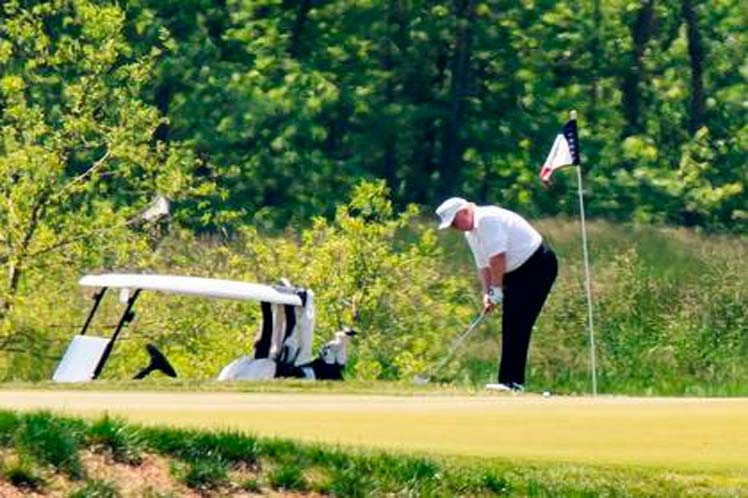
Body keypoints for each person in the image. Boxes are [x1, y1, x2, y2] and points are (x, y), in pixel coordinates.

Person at [435, 197, 557, 392]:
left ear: (465, 211)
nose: (455, 228)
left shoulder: (487, 220)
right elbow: (483, 266)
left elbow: (498, 258)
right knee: (510, 322)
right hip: (516, 272)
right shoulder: (471, 233)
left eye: (455, 222)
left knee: (519, 321)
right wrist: (488, 293)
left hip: (538, 266)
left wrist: (497, 288)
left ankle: (513, 382)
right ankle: (508, 381)